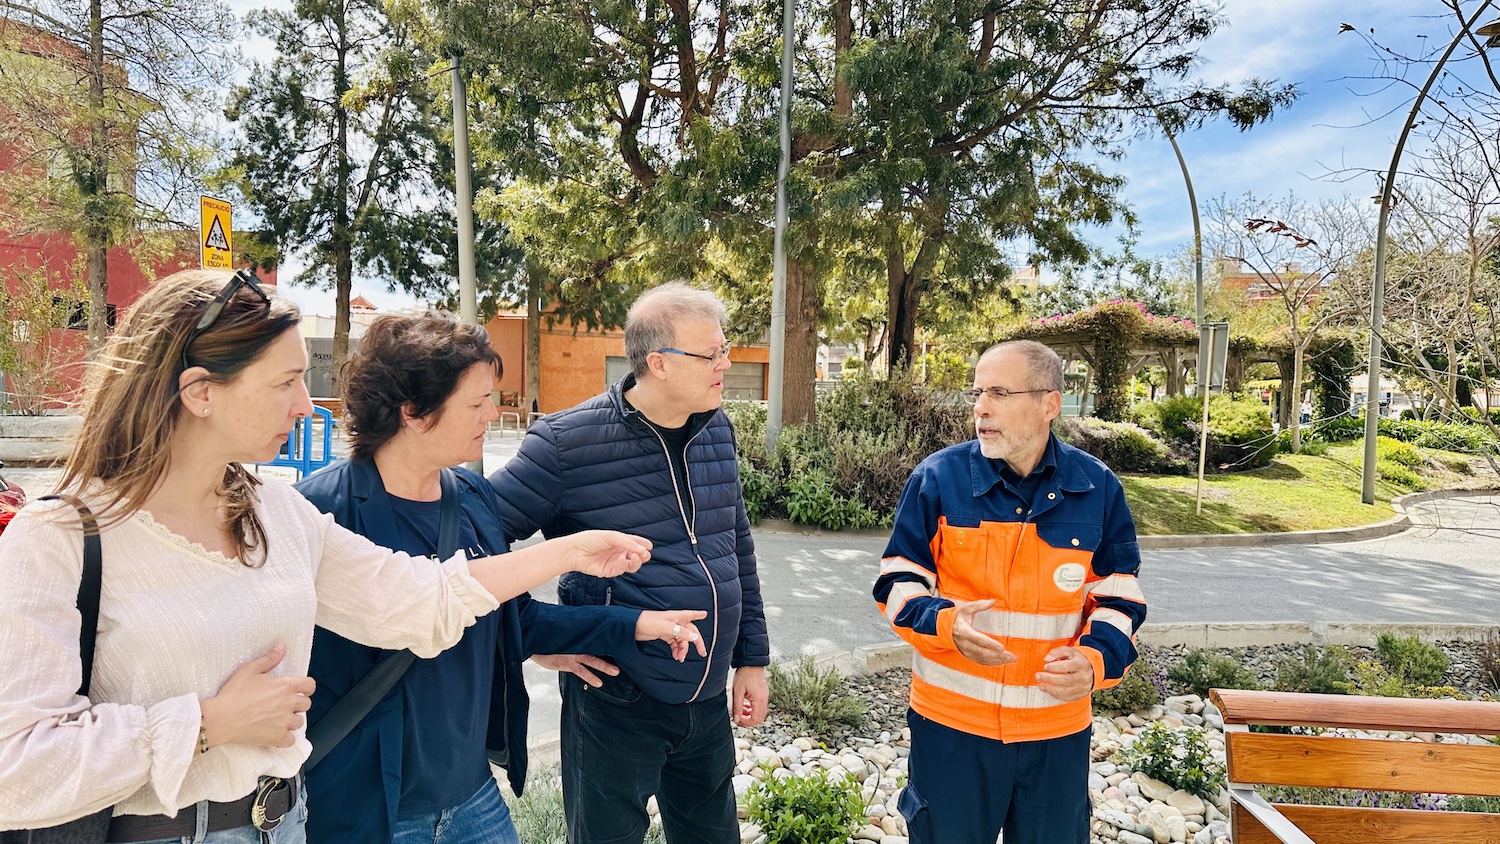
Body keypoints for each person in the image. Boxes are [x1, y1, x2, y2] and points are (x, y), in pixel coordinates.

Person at [0, 269, 652, 843]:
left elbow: (416, 602)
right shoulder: (61, 537)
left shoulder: (280, 516)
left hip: (287, 823)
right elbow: (17, 769)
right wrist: (206, 724)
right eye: (286, 381)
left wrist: (572, 551)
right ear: (201, 391)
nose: (305, 404)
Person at [294, 312, 707, 844]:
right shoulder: (321, 513)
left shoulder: (472, 497)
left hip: (472, 799)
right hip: (368, 809)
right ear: (414, 413)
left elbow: (515, 620)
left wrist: (635, 625)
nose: (492, 413)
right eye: (475, 403)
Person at [488, 282, 770, 844]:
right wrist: (538, 637)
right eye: (711, 353)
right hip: (616, 696)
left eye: (725, 348)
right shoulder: (566, 444)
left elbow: (736, 543)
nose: (726, 363)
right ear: (658, 363)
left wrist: (752, 658)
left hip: (706, 692)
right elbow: (476, 543)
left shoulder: (716, 426)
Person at [873, 339, 1147, 844]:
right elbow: (898, 582)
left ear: (1049, 403)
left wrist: (1094, 663)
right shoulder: (936, 479)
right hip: (952, 728)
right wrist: (945, 624)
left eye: (998, 392)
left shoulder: (1098, 488)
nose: (980, 407)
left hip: (1056, 733)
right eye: (978, 392)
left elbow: (1118, 597)